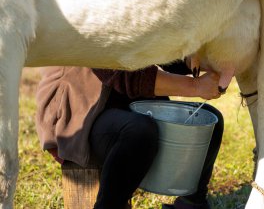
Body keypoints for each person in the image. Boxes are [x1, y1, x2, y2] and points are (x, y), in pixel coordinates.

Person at [35, 59, 224, 209]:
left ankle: (190, 204)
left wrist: (194, 59)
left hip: (127, 102)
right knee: (138, 131)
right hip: (78, 114)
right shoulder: (91, 13)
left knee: (209, 120)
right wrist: (195, 86)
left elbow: (153, 47)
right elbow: (120, 74)